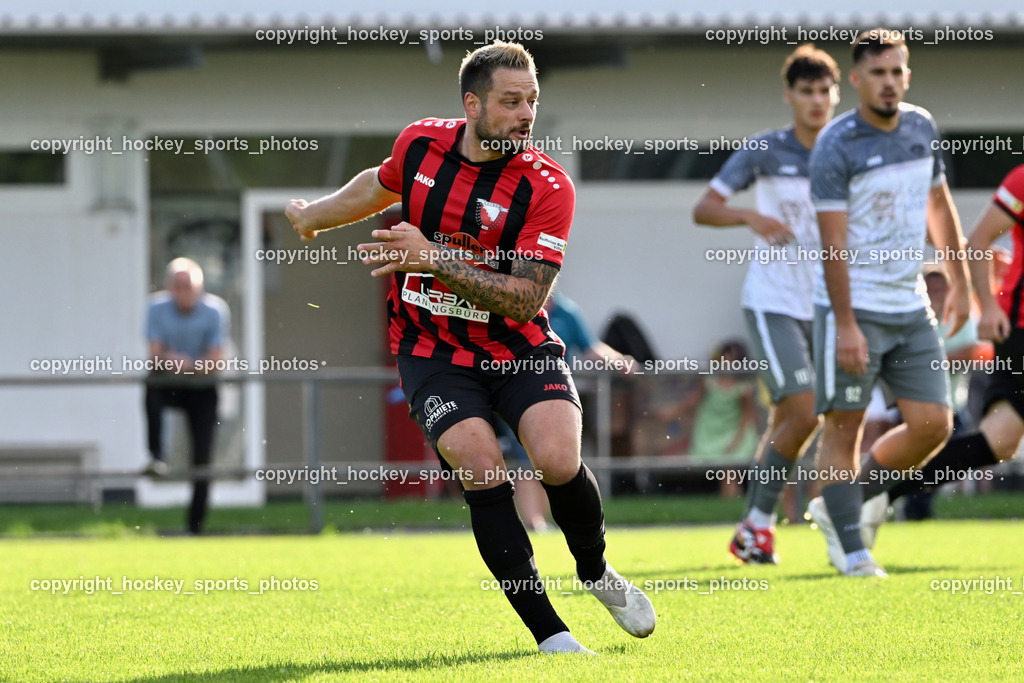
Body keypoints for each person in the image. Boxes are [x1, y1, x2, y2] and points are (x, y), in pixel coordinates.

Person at [284, 41, 655, 655]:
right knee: (482, 468)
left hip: (517, 344)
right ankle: (551, 636)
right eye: (511, 102)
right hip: (431, 349)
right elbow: (381, 183)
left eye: (532, 101)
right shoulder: (421, 144)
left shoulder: (547, 186)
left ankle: (595, 572)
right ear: (472, 104)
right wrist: (316, 216)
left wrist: (433, 257)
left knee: (558, 461)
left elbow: (526, 300)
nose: (525, 114)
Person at [805, 29, 971, 577]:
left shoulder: (921, 126)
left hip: (912, 306)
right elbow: (831, 244)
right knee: (845, 426)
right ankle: (853, 549)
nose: (890, 82)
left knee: (934, 426)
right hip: (853, 308)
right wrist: (847, 324)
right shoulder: (835, 144)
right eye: (878, 73)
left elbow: (940, 208)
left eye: (898, 71)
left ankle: (840, 506)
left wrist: (963, 283)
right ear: (856, 80)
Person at [693, 44, 840, 563]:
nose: (817, 100)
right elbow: (705, 209)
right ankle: (760, 523)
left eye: (825, 91)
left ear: (836, 94)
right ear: (790, 96)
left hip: (829, 305)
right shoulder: (764, 150)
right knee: (804, 409)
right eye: (807, 92)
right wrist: (751, 218)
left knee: (796, 419)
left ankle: (755, 529)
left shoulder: (847, 149)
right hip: (773, 301)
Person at [867, 165, 1024, 517]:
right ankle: (870, 494)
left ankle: (879, 494)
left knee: (999, 441)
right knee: (995, 439)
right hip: (1020, 330)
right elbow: (979, 241)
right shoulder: (1022, 181)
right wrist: (989, 306)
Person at [143, 257, 230, 535]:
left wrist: (185, 364)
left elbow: (216, 362)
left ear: (200, 287)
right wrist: (178, 362)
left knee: (202, 460)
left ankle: (195, 527)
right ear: (169, 287)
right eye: (178, 286)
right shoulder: (155, 308)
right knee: (151, 386)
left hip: (203, 388)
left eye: (189, 286)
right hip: (169, 383)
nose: (184, 291)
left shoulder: (215, 310)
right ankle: (157, 456)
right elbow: (154, 357)